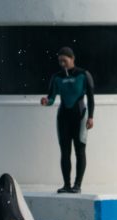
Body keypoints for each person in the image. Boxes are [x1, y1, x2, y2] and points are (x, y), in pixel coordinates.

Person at [41, 46, 95, 194]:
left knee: (80, 151)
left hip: (80, 116)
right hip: (63, 118)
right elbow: (51, 97)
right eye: (60, 61)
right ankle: (66, 185)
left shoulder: (83, 74)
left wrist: (91, 117)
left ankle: (77, 185)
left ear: (72, 59)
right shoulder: (57, 77)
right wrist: (47, 101)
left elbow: (90, 97)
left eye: (64, 60)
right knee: (65, 152)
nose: (62, 64)